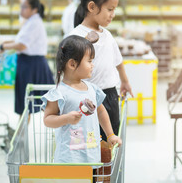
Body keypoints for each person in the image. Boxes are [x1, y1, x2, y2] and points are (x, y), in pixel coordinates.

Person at [41, 35, 122, 182]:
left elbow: (101, 111)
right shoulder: (60, 92)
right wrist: (66, 118)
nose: (93, 65)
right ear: (72, 64)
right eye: (89, 61)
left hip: (91, 156)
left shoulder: (92, 89)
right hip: (68, 160)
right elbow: (47, 120)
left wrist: (110, 135)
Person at [71, 0, 133, 142]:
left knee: (110, 144)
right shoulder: (76, 36)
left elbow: (117, 60)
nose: (113, 14)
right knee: (89, 144)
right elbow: (68, 71)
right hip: (86, 99)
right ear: (92, 7)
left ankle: (107, 168)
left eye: (114, 10)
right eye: (109, 9)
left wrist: (125, 81)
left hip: (110, 96)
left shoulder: (107, 34)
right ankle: (93, 169)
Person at [0, 0, 54, 118]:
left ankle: (21, 134)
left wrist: (4, 47)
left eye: (24, 7)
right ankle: (21, 133)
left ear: (34, 9)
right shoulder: (30, 22)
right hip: (28, 63)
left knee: (28, 102)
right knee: (27, 102)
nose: (21, 9)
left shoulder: (34, 23)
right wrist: (6, 43)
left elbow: (22, 45)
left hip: (32, 64)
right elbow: (20, 41)